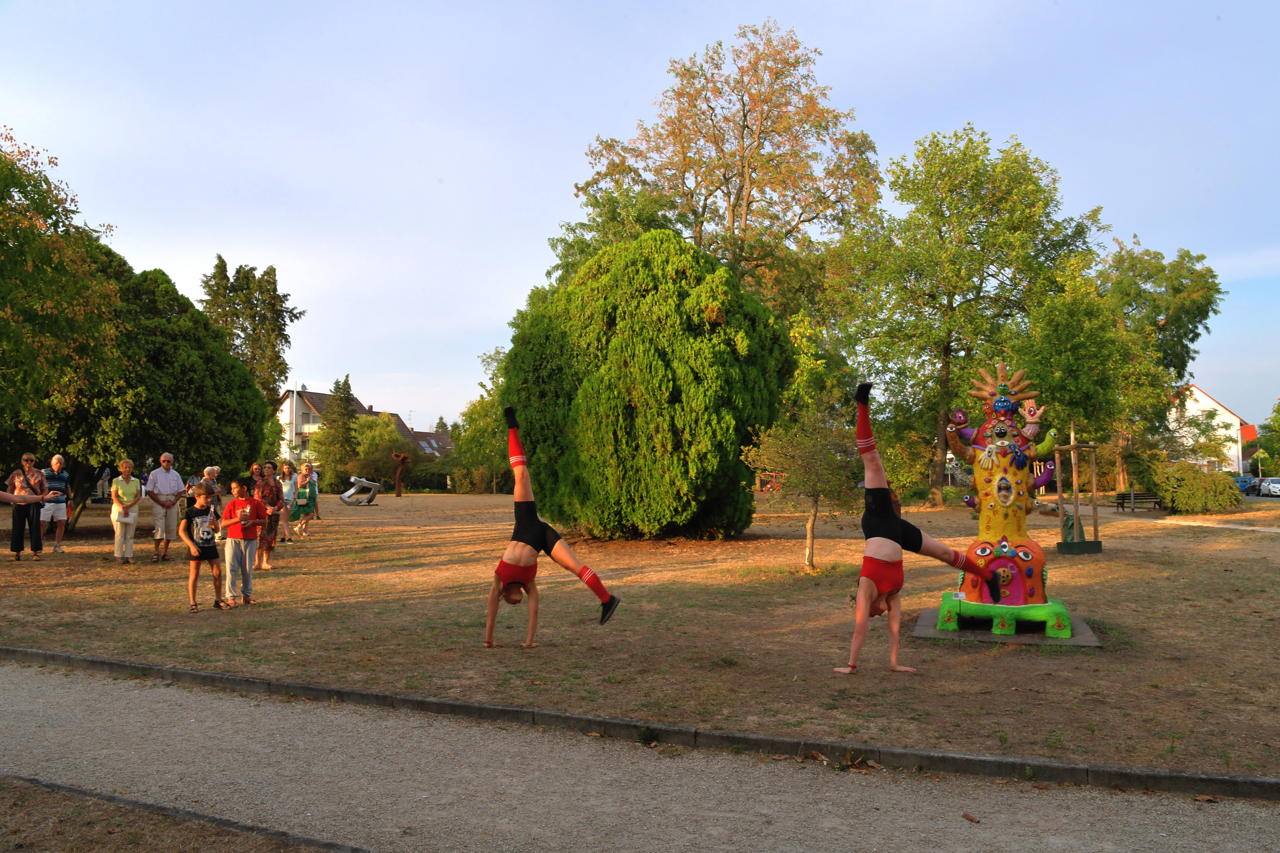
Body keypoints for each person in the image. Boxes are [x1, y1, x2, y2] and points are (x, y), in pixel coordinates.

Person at [834, 383, 1001, 676]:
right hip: (896, 531)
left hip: (877, 521)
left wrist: (851, 665)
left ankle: (861, 402)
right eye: (878, 615)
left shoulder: (867, 589)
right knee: (946, 554)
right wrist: (895, 663)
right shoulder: (893, 593)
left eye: (875, 614)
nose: (878, 615)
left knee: (872, 462)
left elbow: (860, 626)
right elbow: (895, 630)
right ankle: (990, 577)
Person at [483, 407, 620, 649]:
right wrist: (529, 642)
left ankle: (511, 426)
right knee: (574, 566)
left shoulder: (499, 580)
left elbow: (490, 611)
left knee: (521, 475)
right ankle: (607, 600)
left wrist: (488, 639)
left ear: (505, 595)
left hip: (525, 524)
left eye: (512, 603)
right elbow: (534, 612)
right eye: (518, 604)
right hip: (543, 537)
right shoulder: (528, 584)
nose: (516, 603)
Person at [178, 482, 226, 612]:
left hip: (210, 545)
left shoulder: (210, 510)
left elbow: (216, 530)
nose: (209, 500)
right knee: (194, 574)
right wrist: (191, 546)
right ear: (197, 496)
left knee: (217, 572)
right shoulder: (190, 512)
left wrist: (214, 524)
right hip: (197, 546)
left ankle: (218, 599)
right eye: (206, 497)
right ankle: (193, 602)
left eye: (211, 497)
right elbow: (181, 531)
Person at [222, 477, 266, 606]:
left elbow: (264, 520)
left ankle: (246, 595)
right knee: (231, 568)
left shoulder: (256, 503)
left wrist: (253, 522)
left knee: (247, 569)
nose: (233, 490)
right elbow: (224, 523)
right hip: (233, 539)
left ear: (244, 488)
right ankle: (231, 597)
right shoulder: (232, 504)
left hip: (250, 540)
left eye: (235, 488)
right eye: (232, 488)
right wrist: (237, 519)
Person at [7, 453, 49, 561]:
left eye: (31, 460)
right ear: (22, 461)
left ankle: (36, 552)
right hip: (18, 503)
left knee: (35, 527)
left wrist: (42, 497)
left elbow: (45, 488)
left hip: (34, 503)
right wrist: (11, 500)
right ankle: (17, 552)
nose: (28, 462)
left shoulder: (39, 473)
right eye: (26, 460)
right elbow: (10, 487)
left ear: (34, 462)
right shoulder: (16, 473)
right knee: (17, 528)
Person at [146, 453, 185, 563]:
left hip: (172, 500)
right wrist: (161, 502)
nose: (166, 463)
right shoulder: (154, 473)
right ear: (160, 461)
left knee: (170, 527)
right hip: (159, 500)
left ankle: (165, 552)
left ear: (172, 461)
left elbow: (181, 490)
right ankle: (156, 552)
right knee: (159, 527)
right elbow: (149, 490)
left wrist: (173, 501)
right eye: (164, 461)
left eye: (168, 461)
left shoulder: (175, 474)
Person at [110, 459, 143, 565]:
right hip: (119, 508)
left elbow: (138, 496)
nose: (127, 469)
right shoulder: (116, 481)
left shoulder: (136, 481)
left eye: (129, 467)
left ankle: (129, 555)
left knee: (130, 534)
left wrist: (129, 506)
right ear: (121, 469)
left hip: (132, 508)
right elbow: (114, 496)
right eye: (125, 467)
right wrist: (123, 507)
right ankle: (119, 555)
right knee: (120, 533)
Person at [254, 461, 284, 570]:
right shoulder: (260, 482)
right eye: (265, 467)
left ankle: (265, 562)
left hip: (274, 514)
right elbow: (257, 498)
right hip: (261, 513)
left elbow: (281, 498)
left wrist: (275, 508)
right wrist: (267, 508)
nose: (266, 469)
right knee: (259, 537)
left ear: (274, 470)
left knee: (270, 537)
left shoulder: (277, 483)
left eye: (269, 468)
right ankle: (257, 562)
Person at [41, 455, 71, 553]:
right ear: (52, 463)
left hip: (61, 501)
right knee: (42, 523)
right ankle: (39, 544)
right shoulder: (44, 472)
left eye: (60, 463)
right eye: (56, 462)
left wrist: (70, 498)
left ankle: (57, 545)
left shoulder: (65, 474)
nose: (58, 465)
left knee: (61, 523)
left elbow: (67, 487)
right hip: (46, 502)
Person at [290, 462, 318, 538]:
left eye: (309, 469)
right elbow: (299, 485)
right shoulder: (301, 476)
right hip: (302, 497)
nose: (307, 470)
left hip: (310, 498)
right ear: (302, 470)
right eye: (306, 469)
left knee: (307, 514)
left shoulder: (309, 476)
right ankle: (298, 527)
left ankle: (305, 531)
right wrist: (307, 481)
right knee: (311, 514)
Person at [278, 461, 298, 543]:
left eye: (289, 468)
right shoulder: (278, 478)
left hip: (290, 500)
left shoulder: (294, 476)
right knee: (284, 520)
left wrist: (294, 499)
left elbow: (296, 489)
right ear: (283, 469)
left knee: (286, 519)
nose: (287, 469)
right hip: (282, 500)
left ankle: (283, 537)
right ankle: (289, 538)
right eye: (285, 468)